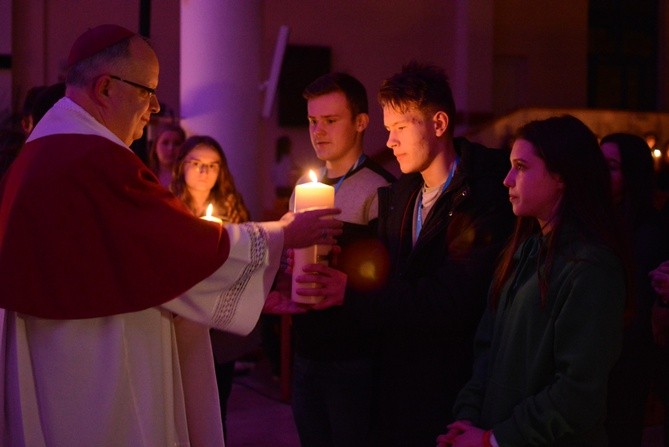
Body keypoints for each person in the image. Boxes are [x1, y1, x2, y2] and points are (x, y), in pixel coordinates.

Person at [0, 24, 343, 446]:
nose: (154, 108)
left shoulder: (46, 148)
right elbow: (175, 246)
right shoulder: (95, 159)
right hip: (99, 362)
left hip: (63, 357)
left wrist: (254, 279)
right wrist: (282, 234)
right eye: (147, 91)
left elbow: (144, 258)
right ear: (106, 87)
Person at [345, 62, 514, 447]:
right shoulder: (400, 196)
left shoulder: (485, 197)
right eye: (388, 130)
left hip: (453, 392)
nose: (389, 142)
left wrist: (352, 294)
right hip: (398, 390)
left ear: (438, 124)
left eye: (400, 128)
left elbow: (452, 301)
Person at [441, 115, 631, 446]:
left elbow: (577, 392)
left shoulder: (591, 268)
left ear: (561, 175)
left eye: (521, 167)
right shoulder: (524, 253)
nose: (507, 179)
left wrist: (494, 439)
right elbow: (487, 351)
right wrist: (467, 420)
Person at [287, 72, 395, 447]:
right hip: (306, 348)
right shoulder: (302, 192)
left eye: (331, 121)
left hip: (353, 356)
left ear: (361, 122)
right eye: (313, 122)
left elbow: (387, 277)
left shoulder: (379, 189)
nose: (318, 131)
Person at [170, 134, 256, 441]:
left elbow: (246, 258)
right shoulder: (167, 207)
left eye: (212, 165)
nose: (205, 171)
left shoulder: (232, 207)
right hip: (181, 319)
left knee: (217, 401)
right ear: (181, 167)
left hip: (220, 325)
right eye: (197, 164)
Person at [600, 133, 669, 446]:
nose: (601, 173)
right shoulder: (598, 221)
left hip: (624, 365)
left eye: (611, 166)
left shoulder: (648, 233)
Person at [148, 121, 186, 188]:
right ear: (155, 147)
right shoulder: (145, 176)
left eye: (177, 143)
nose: (170, 148)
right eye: (165, 143)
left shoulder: (189, 179)